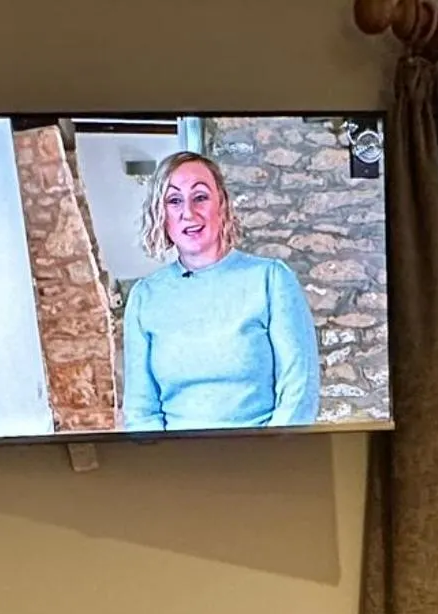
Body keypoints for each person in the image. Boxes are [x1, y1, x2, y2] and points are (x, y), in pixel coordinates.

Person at [122, 151, 321, 432]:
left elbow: (299, 391)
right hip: (174, 455)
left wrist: (270, 451)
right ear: (161, 214)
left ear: (222, 204)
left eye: (200, 197)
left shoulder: (271, 280)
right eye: (174, 200)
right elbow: (140, 411)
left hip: (263, 452)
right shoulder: (144, 297)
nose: (188, 212)